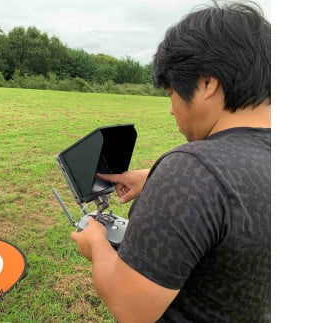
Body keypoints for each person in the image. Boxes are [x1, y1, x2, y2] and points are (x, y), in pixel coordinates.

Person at [70, 1, 270, 322]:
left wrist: (95, 243)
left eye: (170, 93)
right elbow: (244, 190)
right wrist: (154, 177)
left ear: (207, 83)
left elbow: (130, 306)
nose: (171, 109)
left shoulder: (192, 169)